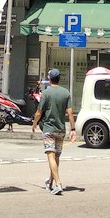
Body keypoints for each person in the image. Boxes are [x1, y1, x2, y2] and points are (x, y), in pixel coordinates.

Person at [32, 67, 75, 195]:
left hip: (49, 129)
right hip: (61, 129)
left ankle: (58, 184)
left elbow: (39, 112)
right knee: (56, 158)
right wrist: (73, 129)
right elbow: (70, 112)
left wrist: (34, 124)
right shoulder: (66, 93)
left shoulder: (46, 93)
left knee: (51, 156)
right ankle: (50, 182)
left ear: (49, 79)